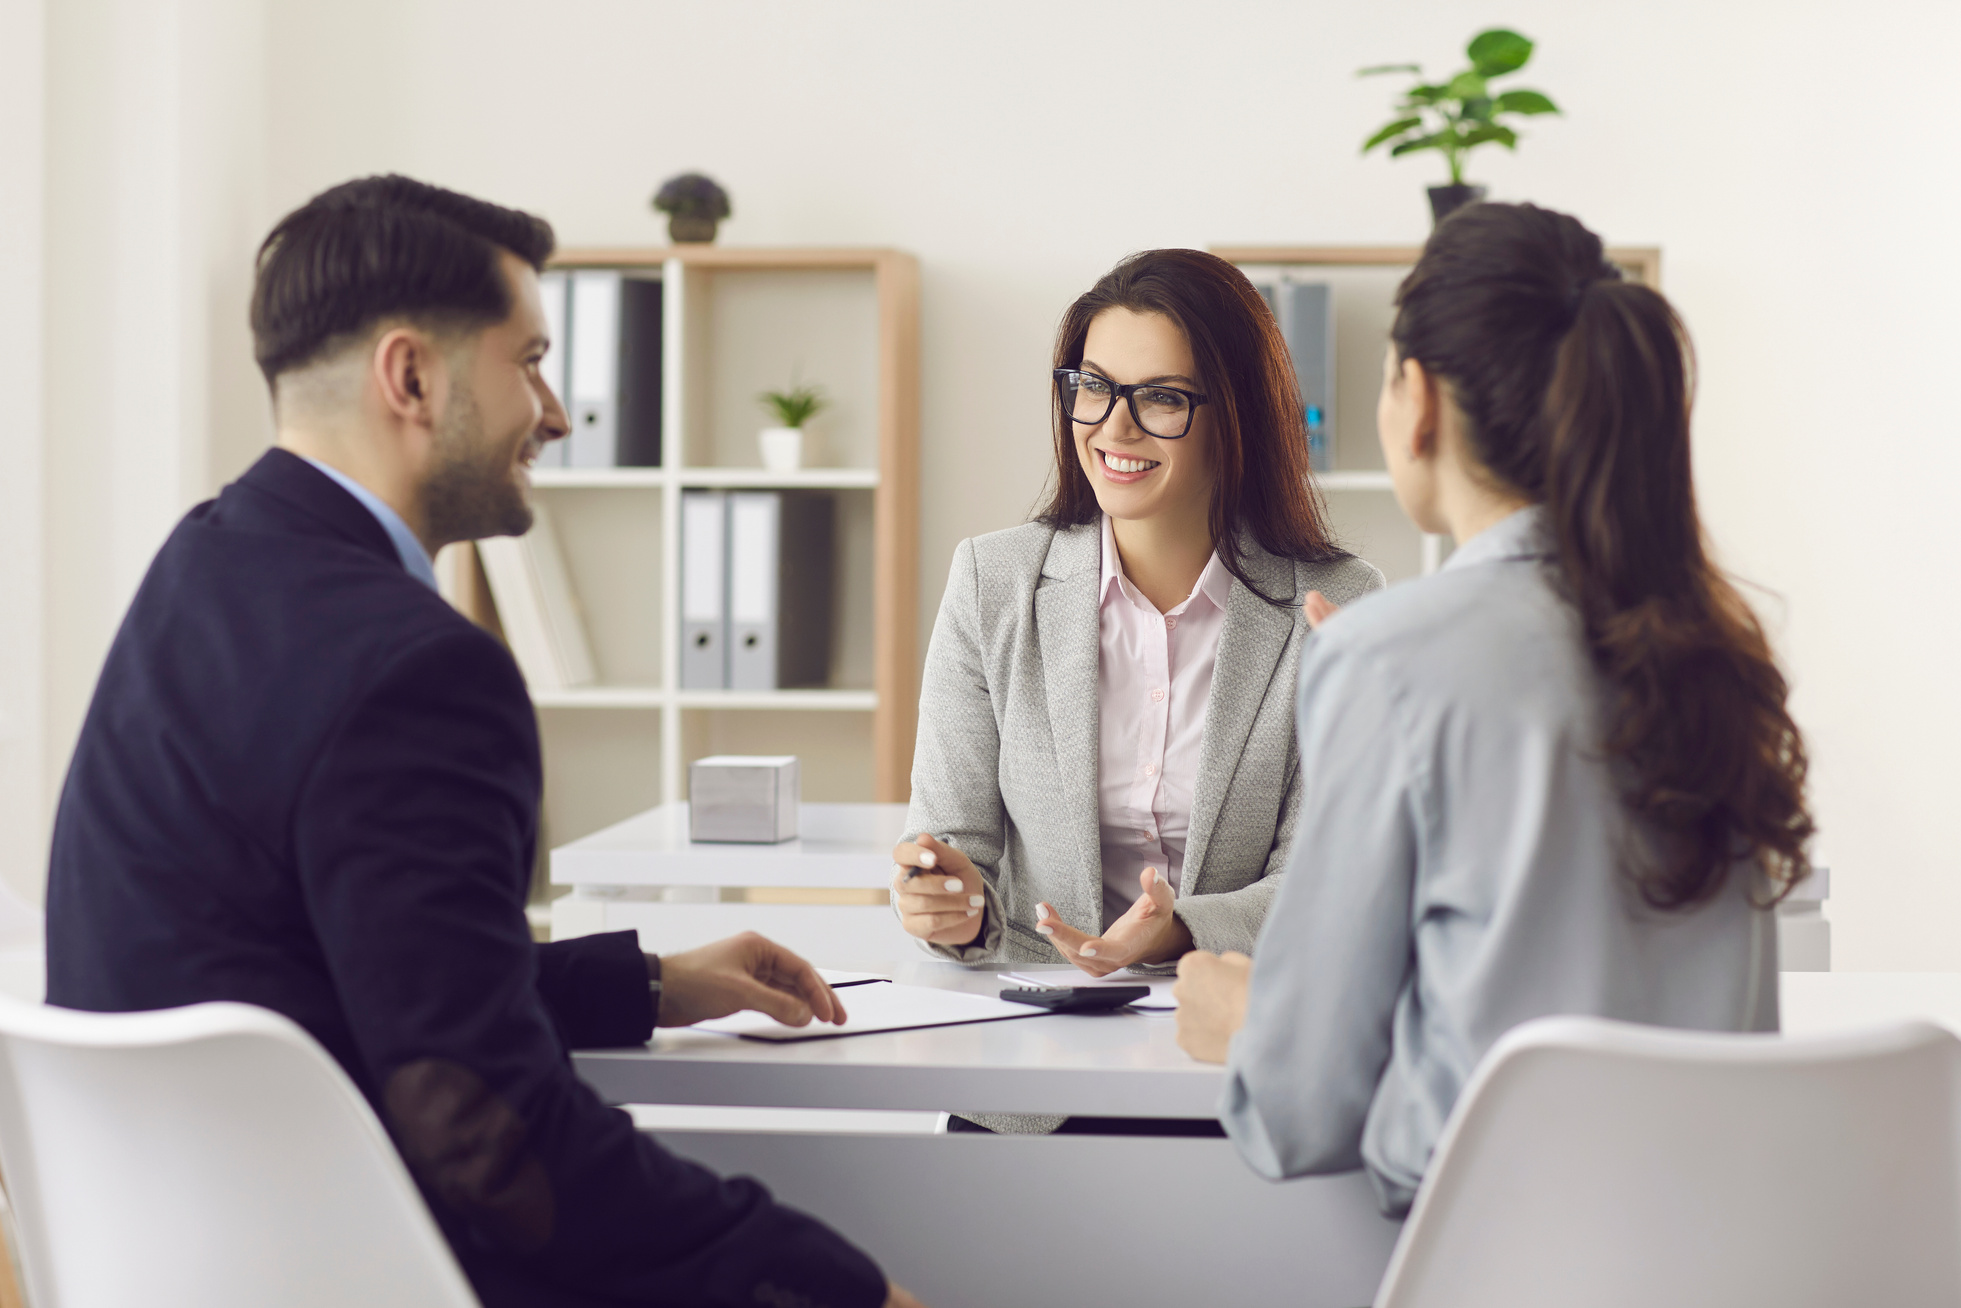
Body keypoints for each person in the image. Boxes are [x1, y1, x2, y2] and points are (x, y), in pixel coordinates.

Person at [45, 175, 924, 1308]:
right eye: (530, 361)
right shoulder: (419, 670)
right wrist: (842, 1287)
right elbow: (497, 1150)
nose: (555, 413)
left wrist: (653, 985)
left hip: (179, 1264)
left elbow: (359, 986)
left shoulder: (202, 567)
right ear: (411, 376)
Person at [1172, 202, 1814, 1215]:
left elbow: (1297, 1116)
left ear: (1413, 398)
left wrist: (1240, 1022)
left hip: (1502, 1258)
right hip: (1721, 1255)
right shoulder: (1716, 651)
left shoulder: (1389, 661)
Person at [890, 248, 1383, 985]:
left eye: (1159, 397)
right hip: (1032, 1069)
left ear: (1238, 413)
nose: (1112, 428)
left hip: (1235, 1048)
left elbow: (1327, 875)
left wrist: (1177, 929)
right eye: (1092, 387)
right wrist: (952, 907)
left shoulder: (1336, 603)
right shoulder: (992, 584)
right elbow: (956, 849)